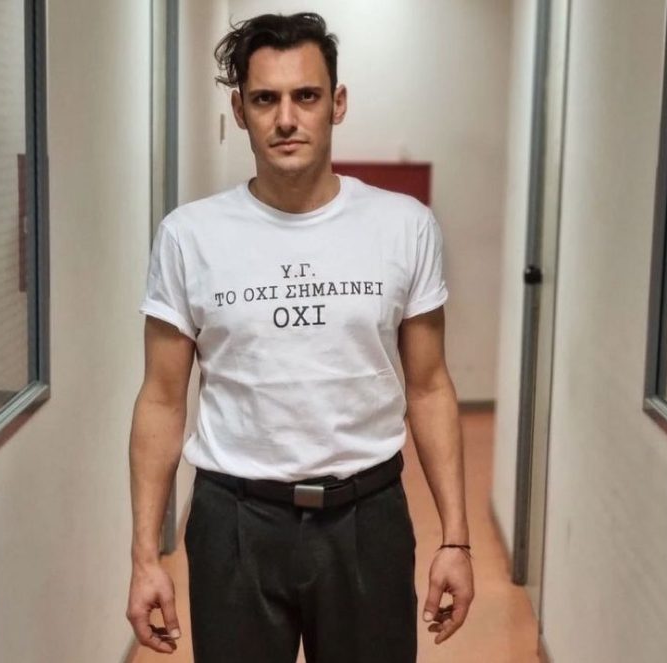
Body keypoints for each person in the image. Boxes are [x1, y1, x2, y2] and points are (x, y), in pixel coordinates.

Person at [126, 12, 474, 663]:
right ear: (240, 109)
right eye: (265, 99)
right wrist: (145, 555)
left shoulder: (404, 227)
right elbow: (162, 399)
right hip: (235, 522)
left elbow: (429, 387)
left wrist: (456, 537)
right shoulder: (189, 236)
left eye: (305, 96)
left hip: (367, 517)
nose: (286, 118)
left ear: (337, 103)